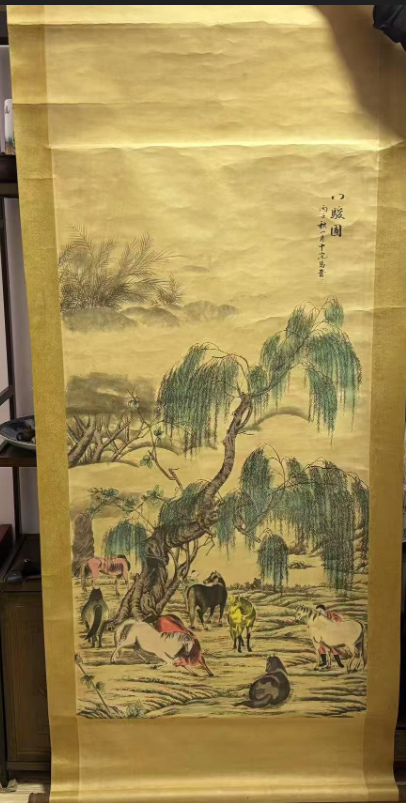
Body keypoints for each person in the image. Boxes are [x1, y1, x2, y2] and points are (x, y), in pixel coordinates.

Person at [315, 604, 345, 670]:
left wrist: (336, 622)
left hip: (331, 634)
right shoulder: (318, 617)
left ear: (323, 610)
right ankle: (324, 662)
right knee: (321, 647)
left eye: (320, 610)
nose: (319, 612)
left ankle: (339, 662)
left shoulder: (330, 614)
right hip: (323, 635)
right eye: (317, 611)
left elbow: (339, 618)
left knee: (334, 648)